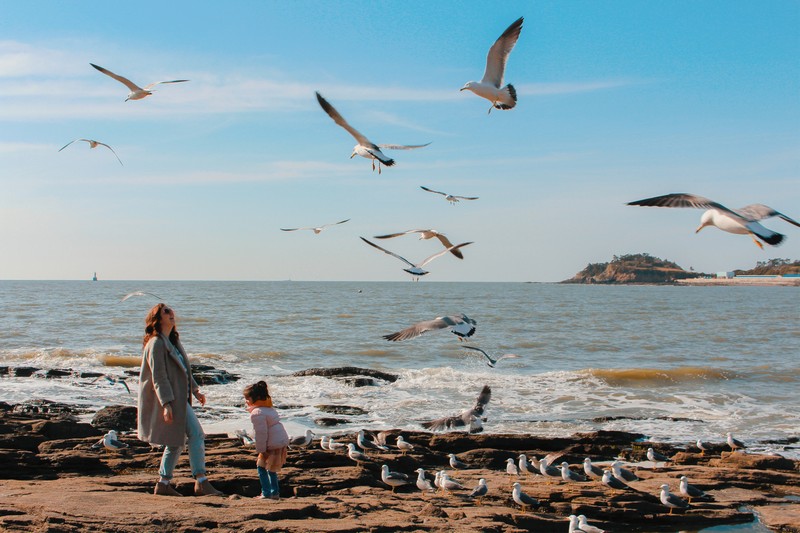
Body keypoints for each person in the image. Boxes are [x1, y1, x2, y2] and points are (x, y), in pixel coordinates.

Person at [137, 303, 224, 497]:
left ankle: (163, 484)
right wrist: (166, 404)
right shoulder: (156, 343)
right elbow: (158, 377)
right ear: (157, 319)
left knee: (175, 442)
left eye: (171, 310)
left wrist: (195, 390)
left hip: (179, 397)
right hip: (171, 399)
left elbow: (184, 370)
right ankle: (201, 481)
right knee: (196, 434)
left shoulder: (173, 341)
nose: (171, 313)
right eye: (166, 311)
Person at [244, 380, 289, 499]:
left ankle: (266, 492)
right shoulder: (269, 409)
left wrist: (261, 449)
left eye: (247, 399)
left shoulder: (257, 413)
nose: (246, 401)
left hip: (271, 444)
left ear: (256, 399)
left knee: (261, 467)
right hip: (279, 441)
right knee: (271, 469)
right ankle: (275, 492)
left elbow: (261, 434)